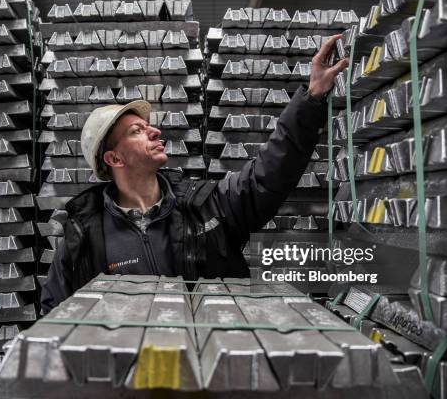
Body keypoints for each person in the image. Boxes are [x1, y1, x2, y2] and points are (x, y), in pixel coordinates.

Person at [41, 34, 348, 313]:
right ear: (114, 158)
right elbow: (55, 316)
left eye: (149, 126)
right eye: (138, 130)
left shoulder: (205, 208)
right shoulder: (82, 236)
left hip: (209, 365)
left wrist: (311, 98)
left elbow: (267, 175)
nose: (155, 131)